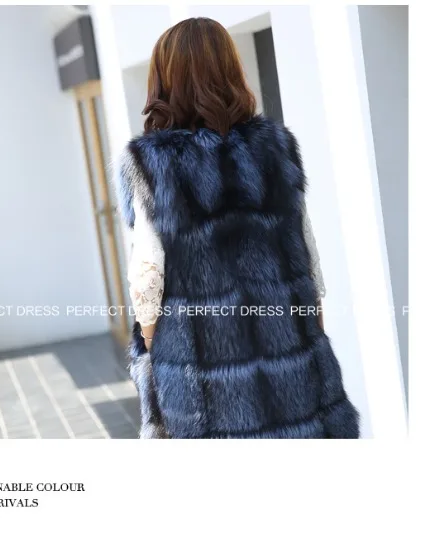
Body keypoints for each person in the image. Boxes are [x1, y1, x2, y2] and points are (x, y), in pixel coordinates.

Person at [115, 17, 360, 439]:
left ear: (163, 80)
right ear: (231, 71)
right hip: (291, 364)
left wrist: (154, 350)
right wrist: (308, 338)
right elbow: (306, 252)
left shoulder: (154, 164)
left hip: (204, 383)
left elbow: (148, 275)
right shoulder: (276, 147)